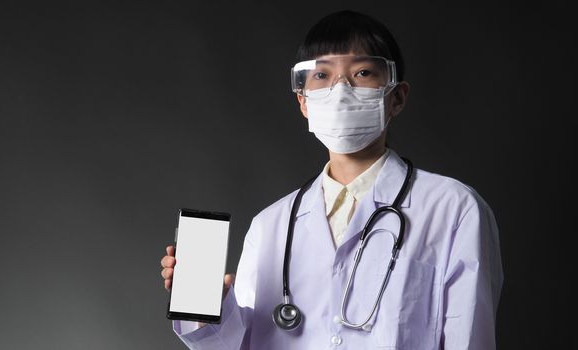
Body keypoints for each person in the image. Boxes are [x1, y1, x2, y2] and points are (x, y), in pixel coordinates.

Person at [160, 10, 503, 349]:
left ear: (396, 97)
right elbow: (237, 346)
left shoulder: (453, 208)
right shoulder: (270, 225)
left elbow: (469, 338)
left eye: (363, 72)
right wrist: (209, 308)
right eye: (321, 76)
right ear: (303, 102)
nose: (341, 89)